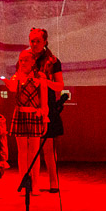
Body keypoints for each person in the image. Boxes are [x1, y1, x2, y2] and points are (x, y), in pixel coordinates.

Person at [5, 49, 48, 194]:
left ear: (33, 61)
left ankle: (35, 183)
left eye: (26, 60)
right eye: (21, 60)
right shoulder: (17, 76)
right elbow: (13, 89)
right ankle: (23, 182)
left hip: (35, 114)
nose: (23, 63)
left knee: (34, 151)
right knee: (22, 152)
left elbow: (44, 98)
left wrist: (44, 117)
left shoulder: (39, 76)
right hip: (20, 114)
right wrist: (10, 83)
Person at [29, 28, 65, 192]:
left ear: (45, 42)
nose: (34, 44)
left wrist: (46, 81)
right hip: (29, 106)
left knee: (48, 147)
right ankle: (32, 182)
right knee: (30, 148)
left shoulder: (52, 61)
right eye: (32, 40)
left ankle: (53, 181)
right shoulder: (25, 58)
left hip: (47, 106)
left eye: (38, 41)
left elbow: (60, 86)